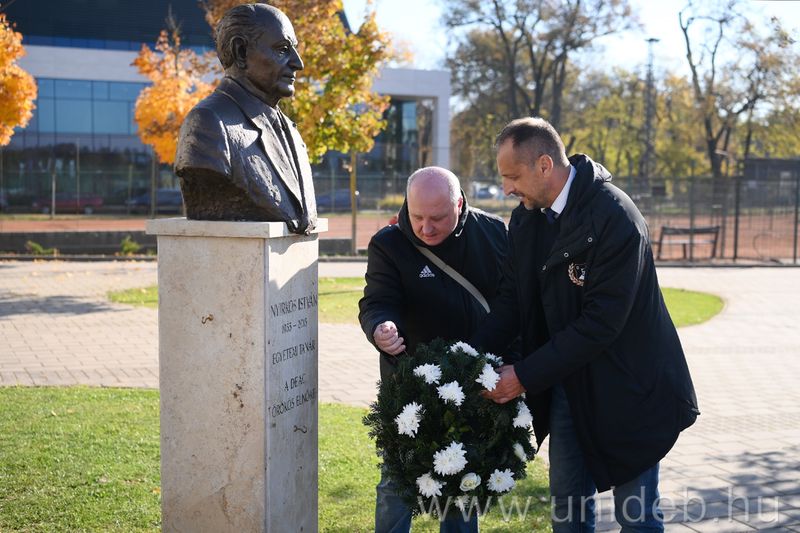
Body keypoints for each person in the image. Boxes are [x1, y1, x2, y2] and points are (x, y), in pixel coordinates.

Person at [473, 117, 699, 532]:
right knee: (568, 511)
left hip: (630, 387)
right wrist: (467, 357)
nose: (506, 189)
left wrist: (522, 375)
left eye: (512, 176)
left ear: (544, 165)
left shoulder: (616, 217)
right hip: (566, 384)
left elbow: (600, 324)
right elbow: (512, 301)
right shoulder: (526, 218)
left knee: (637, 516)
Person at [359, 166, 508, 533]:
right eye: (417, 216)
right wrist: (380, 327)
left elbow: (511, 303)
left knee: (461, 485)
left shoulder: (493, 233)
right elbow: (377, 301)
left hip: (473, 385)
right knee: (395, 483)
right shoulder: (388, 244)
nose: (426, 228)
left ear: (459, 204)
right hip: (409, 384)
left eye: (438, 218)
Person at [175, 3, 316, 234]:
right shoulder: (209, 124)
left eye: (295, 49)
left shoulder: (290, 130)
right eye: (282, 49)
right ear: (241, 51)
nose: (298, 63)